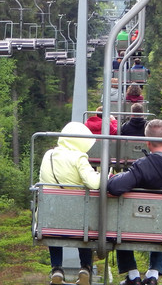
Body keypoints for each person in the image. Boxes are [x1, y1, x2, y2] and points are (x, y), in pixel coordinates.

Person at [107, 120, 162, 285]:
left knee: (118, 218)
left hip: (132, 227)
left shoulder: (143, 166)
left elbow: (114, 188)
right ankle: (153, 272)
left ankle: (133, 275)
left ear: (147, 142)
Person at [40, 122, 100, 285]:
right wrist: (103, 175)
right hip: (77, 219)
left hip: (49, 217)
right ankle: (85, 267)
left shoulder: (49, 155)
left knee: (54, 228)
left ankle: (57, 268)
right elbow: (94, 183)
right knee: (86, 225)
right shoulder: (79, 158)